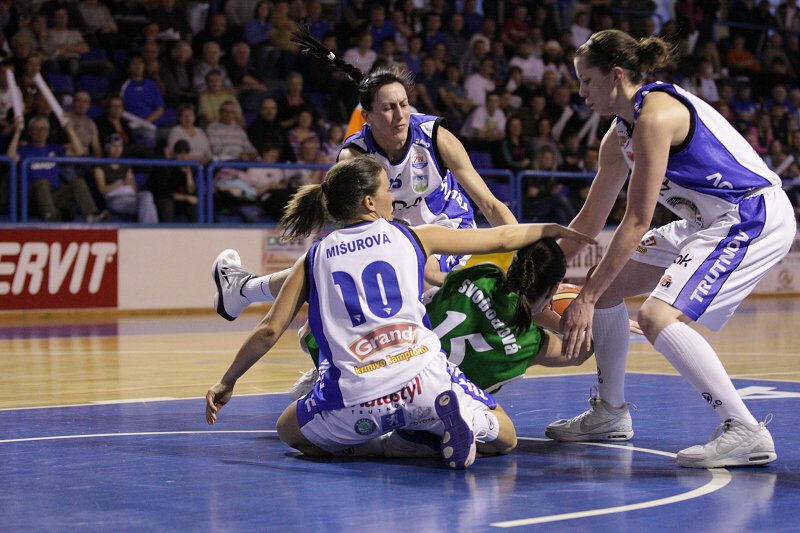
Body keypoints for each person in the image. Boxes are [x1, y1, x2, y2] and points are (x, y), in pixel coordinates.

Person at [205, 155, 594, 468]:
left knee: (288, 430)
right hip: (425, 383)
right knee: (505, 435)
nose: (393, 196)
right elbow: (504, 237)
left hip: (357, 398)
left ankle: (380, 446)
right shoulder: (412, 236)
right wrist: (551, 228)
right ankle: (458, 424)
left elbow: (268, 331)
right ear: (369, 202)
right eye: (387, 189)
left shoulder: (314, 257)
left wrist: (227, 382)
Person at [548, 29, 796, 469]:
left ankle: (745, 429)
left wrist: (583, 298)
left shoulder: (657, 116)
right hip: (707, 220)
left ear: (616, 75)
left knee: (654, 316)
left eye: (587, 80)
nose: (581, 92)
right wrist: (538, 276)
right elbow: (588, 222)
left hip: (749, 213)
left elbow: (636, 221)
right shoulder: (617, 136)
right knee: (604, 293)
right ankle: (610, 412)